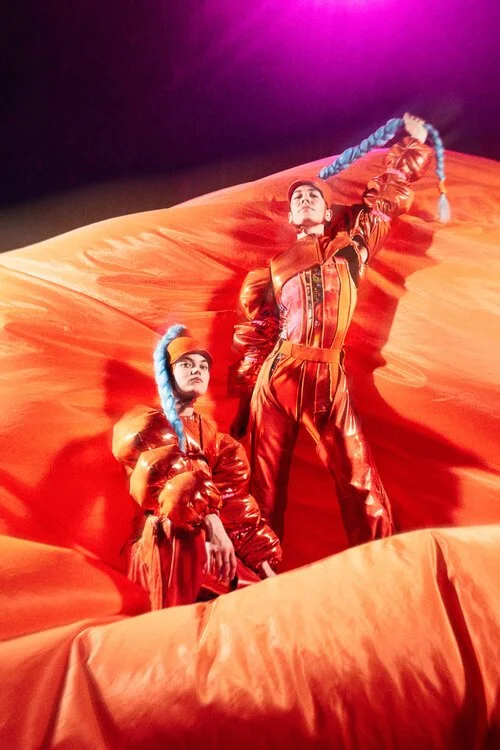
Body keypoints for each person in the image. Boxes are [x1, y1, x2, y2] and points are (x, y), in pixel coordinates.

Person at [229, 113, 433, 544]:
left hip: (329, 379)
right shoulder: (271, 271)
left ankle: (386, 564)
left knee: (360, 481)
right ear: (291, 216)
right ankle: (255, 574)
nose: (305, 199)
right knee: (263, 490)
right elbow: (259, 336)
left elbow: (384, 201)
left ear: (327, 211)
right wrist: (245, 404)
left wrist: (411, 147)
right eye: (298, 198)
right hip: (277, 380)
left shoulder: (352, 249)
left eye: (313, 195)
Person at [113, 325, 281, 609]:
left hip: (209, 550)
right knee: (175, 527)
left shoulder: (219, 443)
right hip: (162, 548)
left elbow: (237, 508)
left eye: (203, 366)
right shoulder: (146, 425)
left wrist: (267, 570)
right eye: (186, 364)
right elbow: (170, 485)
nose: (197, 370)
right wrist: (212, 523)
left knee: (259, 593)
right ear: (167, 372)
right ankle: (167, 627)